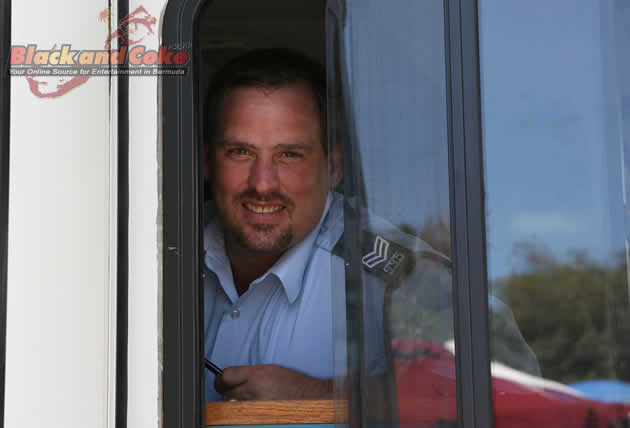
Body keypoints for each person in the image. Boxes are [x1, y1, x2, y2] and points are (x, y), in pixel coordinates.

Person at [203, 48, 540, 403]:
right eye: (240, 152)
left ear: (333, 168)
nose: (262, 183)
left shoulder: (382, 267)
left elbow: (509, 384)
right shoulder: (167, 244)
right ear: (207, 162)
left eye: (289, 155)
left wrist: (320, 398)